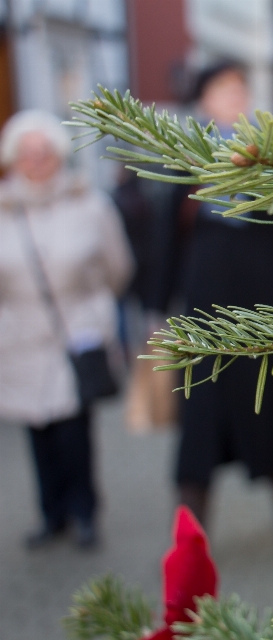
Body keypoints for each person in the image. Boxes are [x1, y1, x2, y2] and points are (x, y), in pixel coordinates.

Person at [145, 62, 273, 529]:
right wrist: (156, 308)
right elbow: (166, 239)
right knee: (201, 419)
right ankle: (192, 524)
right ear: (204, 101)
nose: (235, 94)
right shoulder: (185, 158)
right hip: (204, 316)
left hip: (269, 309)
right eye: (223, 88)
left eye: (240, 86)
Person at [0, 110, 134, 549]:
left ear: (58, 156)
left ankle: (84, 513)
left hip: (76, 335)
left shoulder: (90, 205)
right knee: (37, 433)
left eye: (43, 153)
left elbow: (118, 267)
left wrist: (95, 313)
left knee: (75, 431)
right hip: (20, 339)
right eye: (27, 154)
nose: (35, 162)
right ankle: (50, 513)